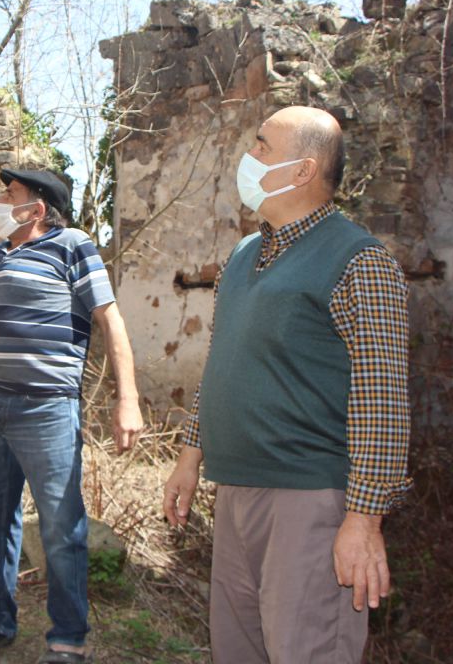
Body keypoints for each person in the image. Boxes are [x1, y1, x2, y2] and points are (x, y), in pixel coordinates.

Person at [162, 106, 412, 663]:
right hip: (237, 493)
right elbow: (224, 361)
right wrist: (190, 455)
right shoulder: (246, 254)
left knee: (307, 650)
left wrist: (364, 521)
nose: (247, 159)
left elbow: (383, 402)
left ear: (303, 170)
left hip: (310, 502)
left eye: (261, 146)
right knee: (240, 650)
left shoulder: (360, 261)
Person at [0, 168, 144, 664]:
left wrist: (129, 399)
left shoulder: (73, 245)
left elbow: (109, 318)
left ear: (36, 210)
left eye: (8, 193)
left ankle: (67, 639)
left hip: (46, 409)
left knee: (60, 524)